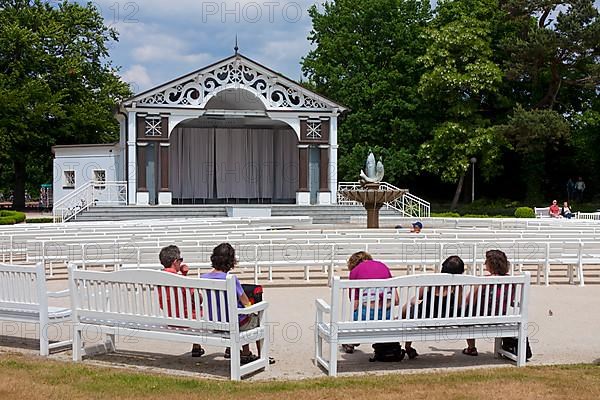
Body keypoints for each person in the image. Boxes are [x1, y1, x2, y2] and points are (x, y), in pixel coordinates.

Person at [201, 243, 273, 365]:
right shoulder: (231, 280)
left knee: (242, 316)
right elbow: (246, 303)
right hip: (233, 325)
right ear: (230, 261)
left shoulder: (203, 278)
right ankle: (262, 355)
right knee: (254, 318)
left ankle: (245, 353)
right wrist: (254, 307)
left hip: (214, 323)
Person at [403, 256, 465, 360]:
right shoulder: (457, 287)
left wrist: (410, 305)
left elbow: (416, 298)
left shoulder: (431, 282)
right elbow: (459, 305)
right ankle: (471, 347)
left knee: (410, 310)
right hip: (448, 319)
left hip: (426, 317)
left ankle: (408, 346)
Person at [342, 251, 395, 354]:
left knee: (358, 314)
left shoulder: (355, 272)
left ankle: (351, 340)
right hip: (387, 316)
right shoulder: (383, 266)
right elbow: (396, 300)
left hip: (367, 315)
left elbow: (355, 303)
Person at [158, 245, 204, 357]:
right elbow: (198, 300)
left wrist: (183, 275)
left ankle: (197, 346)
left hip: (170, 318)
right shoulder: (181, 281)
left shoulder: (158, 278)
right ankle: (228, 348)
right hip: (187, 320)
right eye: (180, 260)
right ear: (175, 261)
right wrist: (184, 277)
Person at [463, 249, 511, 356]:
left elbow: (469, 300)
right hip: (500, 315)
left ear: (491, 264)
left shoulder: (482, 281)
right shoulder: (512, 280)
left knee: (468, 311)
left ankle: (471, 347)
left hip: (480, 317)